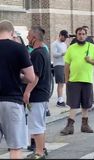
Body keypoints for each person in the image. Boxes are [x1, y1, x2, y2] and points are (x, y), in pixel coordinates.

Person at [0, 20, 35, 159]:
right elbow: (31, 77)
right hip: (12, 101)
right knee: (15, 147)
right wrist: (18, 76)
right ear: (12, 32)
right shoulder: (19, 48)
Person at [60, 27, 94, 135]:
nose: (81, 36)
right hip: (73, 80)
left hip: (87, 79)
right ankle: (70, 126)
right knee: (73, 104)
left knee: (86, 104)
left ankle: (85, 125)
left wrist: (91, 60)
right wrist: (66, 78)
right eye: (79, 34)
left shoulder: (91, 47)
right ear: (76, 35)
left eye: (83, 34)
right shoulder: (71, 48)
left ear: (86, 35)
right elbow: (67, 65)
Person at [23, 26, 51, 159]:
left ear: (34, 37)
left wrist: (27, 92)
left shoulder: (37, 53)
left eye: (28, 35)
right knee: (40, 123)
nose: (27, 37)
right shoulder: (43, 51)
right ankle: (42, 148)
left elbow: (35, 76)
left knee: (36, 125)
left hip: (37, 95)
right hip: (43, 94)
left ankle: (39, 153)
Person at [51, 30, 69, 107]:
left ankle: (61, 98)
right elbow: (54, 54)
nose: (65, 39)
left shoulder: (64, 44)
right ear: (61, 35)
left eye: (66, 37)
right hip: (58, 65)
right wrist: (63, 53)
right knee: (60, 82)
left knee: (64, 82)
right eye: (64, 37)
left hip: (64, 64)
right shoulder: (54, 44)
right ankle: (59, 100)